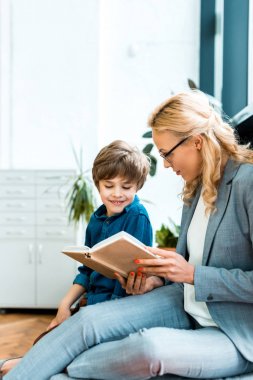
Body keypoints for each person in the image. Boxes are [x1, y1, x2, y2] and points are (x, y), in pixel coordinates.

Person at [2, 90, 253, 380]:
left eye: (166, 154)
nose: (167, 164)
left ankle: (39, 366)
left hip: (235, 333)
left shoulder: (247, 182)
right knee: (89, 320)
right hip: (185, 303)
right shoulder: (196, 188)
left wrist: (194, 275)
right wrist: (156, 280)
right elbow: (186, 265)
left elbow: (193, 271)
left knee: (148, 349)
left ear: (196, 141)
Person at [0, 139, 153, 378]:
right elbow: (87, 269)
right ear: (98, 184)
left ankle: (20, 367)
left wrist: (101, 315)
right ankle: (22, 364)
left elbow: (136, 273)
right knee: (54, 332)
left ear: (138, 186)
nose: (117, 194)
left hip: (118, 306)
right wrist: (64, 305)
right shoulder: (96, 219)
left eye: (126, 186)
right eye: (109, 185)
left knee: (69, 345)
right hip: (93, 303)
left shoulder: (137, 217)